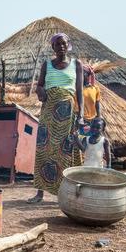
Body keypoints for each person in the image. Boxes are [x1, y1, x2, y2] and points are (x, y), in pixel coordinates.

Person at [27, 33, 84, 203]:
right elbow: (39, 85)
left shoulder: (76, 64)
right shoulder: (47, 64)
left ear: (69, 45)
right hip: (48, 113)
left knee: (67, 150)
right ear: (53, 47)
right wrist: (40, 90)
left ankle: (68, 193)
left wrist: (80, 115)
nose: (61, 47)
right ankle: (40, 193)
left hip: (67, 115)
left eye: (64, 43)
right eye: (57, 44)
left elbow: (79, 92)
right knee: (44, 149)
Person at [78, 64, 101, 136]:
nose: (80, 75)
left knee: (89, 142)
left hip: (91, 122)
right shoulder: (76, 89)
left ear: (88, 75)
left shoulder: (95, 89)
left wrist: (99, 117)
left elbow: (97, 104)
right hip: (79, 121)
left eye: (82, 73)